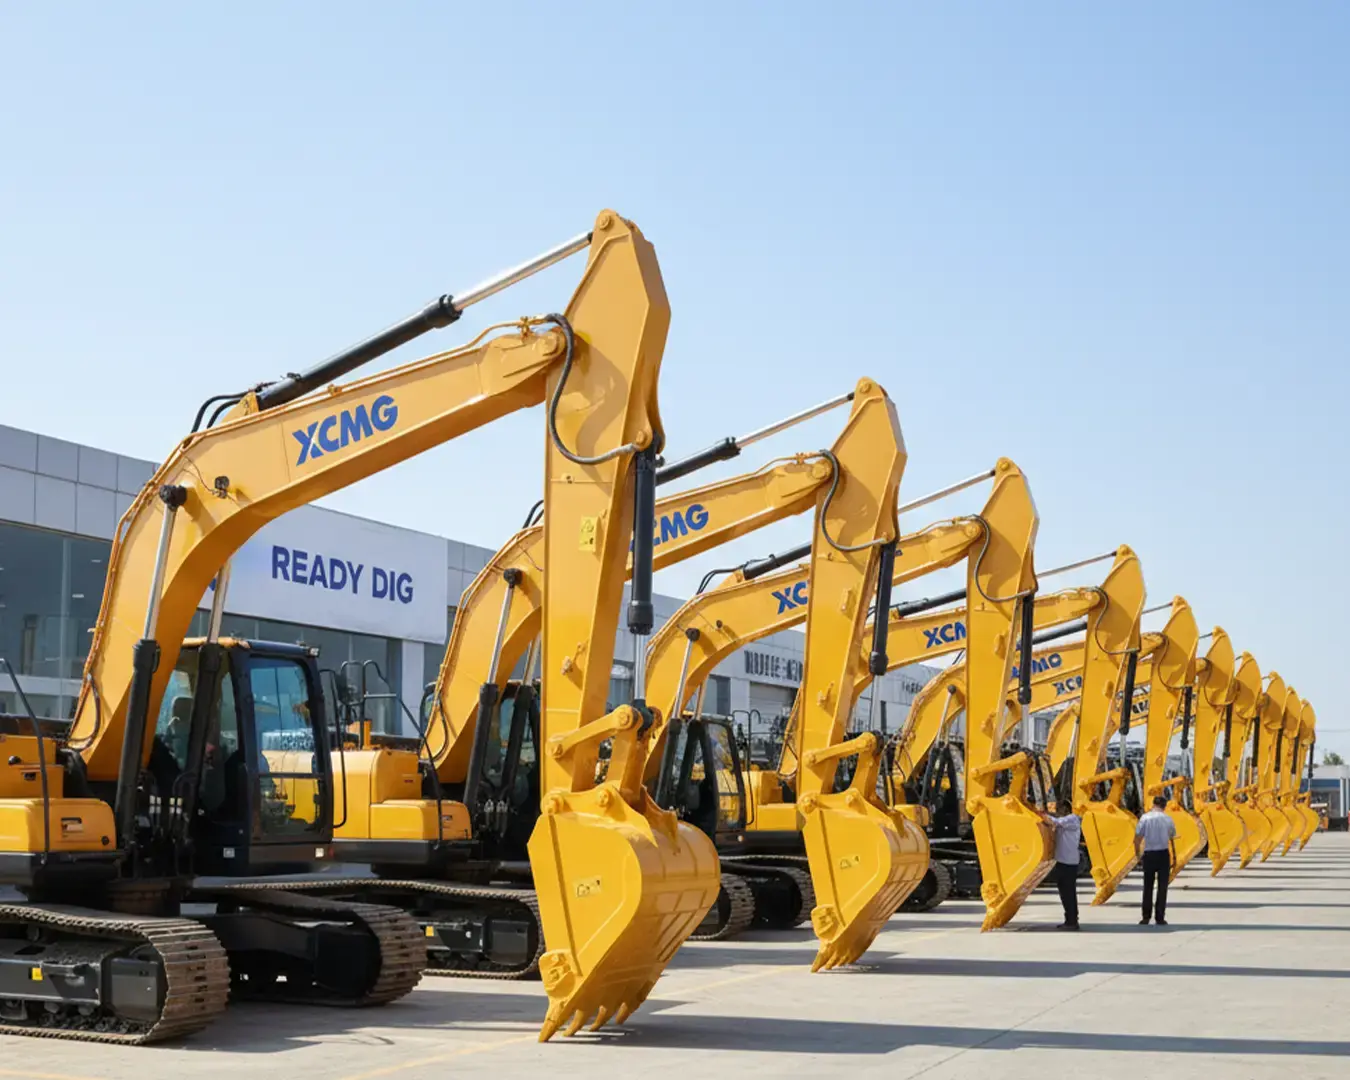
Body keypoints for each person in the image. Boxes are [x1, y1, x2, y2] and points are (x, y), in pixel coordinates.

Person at [1135, 794, 1177, 925]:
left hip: (1149, 854)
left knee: (1148, 886)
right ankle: (1160, 917)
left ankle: (1146, 916)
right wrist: (1174, 856)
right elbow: (1172, 837)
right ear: (1164, 806)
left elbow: (1137, 838)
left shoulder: (1145, 818)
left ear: (1153, 804)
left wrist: (1138, 855)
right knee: (1162, 887)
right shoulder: (1168, 819)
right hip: (1163, 855)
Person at [1045, 799, 1082, 930]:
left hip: (1068, 862)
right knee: (1065, 893)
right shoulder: (1067, 822)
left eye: (1059, 811)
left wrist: (1039, 814)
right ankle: (1070, 919)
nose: (1058, 813)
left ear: (1065, 810)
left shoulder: (1071, 819)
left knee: (1068, 893)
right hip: (1063, 861)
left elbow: (1055, 821)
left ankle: (1072, 921)